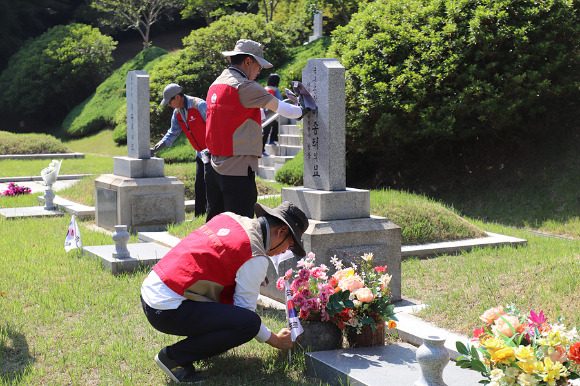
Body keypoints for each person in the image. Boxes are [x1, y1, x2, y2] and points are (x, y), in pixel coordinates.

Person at [140, 201, 309, 383]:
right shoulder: (256, 256)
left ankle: (196, 346)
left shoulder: (230, 217)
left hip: (151, 290)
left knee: (234, 317)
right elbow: (245, 314)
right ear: (281, 231)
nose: (285, 251)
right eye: (290, 245)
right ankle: (174, 357)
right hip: (166, 308)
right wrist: (275, 340)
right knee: (248, 324)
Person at [204, 39, 313, 222]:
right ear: (248, 61)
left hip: (214, 167)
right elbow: (289, 111)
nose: (259, 71)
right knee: (241, 226)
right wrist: (304, 108)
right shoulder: (245, 86)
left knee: (216, 226)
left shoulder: (217, 83)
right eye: (258, 66)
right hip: (237, 170)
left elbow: (241, 116)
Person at [151, 83, 209, 217]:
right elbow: (172, 133)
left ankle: (214, 216)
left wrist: (213, 149)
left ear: (177, 97)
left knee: (212, 185)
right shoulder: (177, 112)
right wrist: (155, 148)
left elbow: (215, 127)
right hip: (200, 154)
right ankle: (199, 216)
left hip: (213, 153)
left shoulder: (199, 105)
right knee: (199, 185)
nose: (169, 105)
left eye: (170, 102)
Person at [262, 73, 283, 156]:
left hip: (264, 113)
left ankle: (272, 139)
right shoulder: (275, 90)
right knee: (266, 132)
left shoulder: (264, 89)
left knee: (274, 125)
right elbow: (280, 100)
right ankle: (261, 150)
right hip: (272, 114)